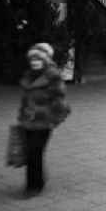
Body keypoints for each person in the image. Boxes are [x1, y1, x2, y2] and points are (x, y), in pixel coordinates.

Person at [17, 42, 70, 197]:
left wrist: (54, 118)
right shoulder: (28, 75)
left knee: (35, 152)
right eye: (32, 59)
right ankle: (34, 182)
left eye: (38, 59)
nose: (34, 62)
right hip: (27, 121)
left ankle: (34, 186)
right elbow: (25, 99)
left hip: (44, 122)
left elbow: (60, 100)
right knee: (30, 153)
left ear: (45, 60)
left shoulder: (53, 76)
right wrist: (21, 115)